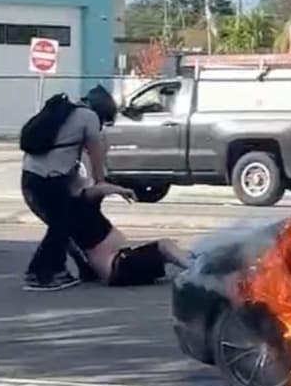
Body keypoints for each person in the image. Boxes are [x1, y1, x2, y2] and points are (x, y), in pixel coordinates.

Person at [20, 86, 116, 291]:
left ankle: (62, 269)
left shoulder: (62, 111)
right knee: (62, 225)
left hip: (31, 177)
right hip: (49, 180)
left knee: (62, 225)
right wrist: (101, 182)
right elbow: (95, 152)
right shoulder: (88, 117)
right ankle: (40, 274)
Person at [69, 177, 191, 286]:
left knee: (174, 252)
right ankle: (197, 271)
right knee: (164, 245)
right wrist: (121, 190)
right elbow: (96, 190)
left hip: (118, 266)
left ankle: (197, 264)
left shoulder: (78, 212)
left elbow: (97, 190)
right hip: (118, 268)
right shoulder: (81, 207)